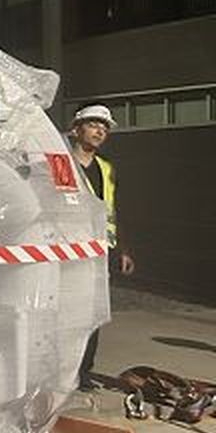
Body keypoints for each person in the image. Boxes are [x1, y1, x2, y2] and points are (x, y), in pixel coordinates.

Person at [70, 103, 134, 389]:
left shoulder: (107, 169)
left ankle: (83, 373)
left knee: (93, 314)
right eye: (94, 124)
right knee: (66, 313)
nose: (100, 131)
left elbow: (114, 211)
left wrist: (123, 250)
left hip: (99, 252)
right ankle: (63, 372)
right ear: (77, 129)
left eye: (105, 127)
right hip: (64, 252)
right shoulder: (59, 163)